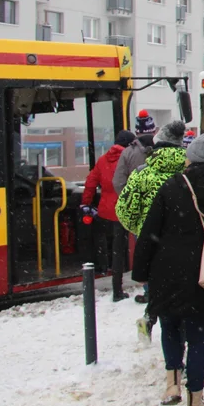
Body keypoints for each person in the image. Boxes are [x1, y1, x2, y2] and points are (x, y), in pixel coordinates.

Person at [132, 128, 204, 406]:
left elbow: (149, 233)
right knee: (198, 339)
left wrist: (141, 270)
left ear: (191, 158)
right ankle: (196, 401)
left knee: (169, 326)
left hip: (167, 270)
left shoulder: (172, 187)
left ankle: (171, 384)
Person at [117, 119, 187, 338]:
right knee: (183, 281)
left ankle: (152, 313)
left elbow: (125, 211)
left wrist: (140, 228)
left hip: (151, 238)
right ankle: (182, 323)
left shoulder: (142, 174)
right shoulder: (189, 170)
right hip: (185, 238)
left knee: (156, 279)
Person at [81, 129, 136, 300]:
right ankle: (117, 290)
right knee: (119, 250)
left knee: (105, 243)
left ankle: (103, 267)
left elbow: (90, 182)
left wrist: (86, 203)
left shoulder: (103, 159)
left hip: (104, 211)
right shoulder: (127, 159)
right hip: (122, 210)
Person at [113, 110, 157, 302]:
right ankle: (164, 287)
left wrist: (131, 200)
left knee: (144, 251)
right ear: (153, 130)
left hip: (140, 212)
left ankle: (149, 291)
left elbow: (117, 182)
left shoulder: (128, 153)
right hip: (165, 208)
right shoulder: (162, 149)